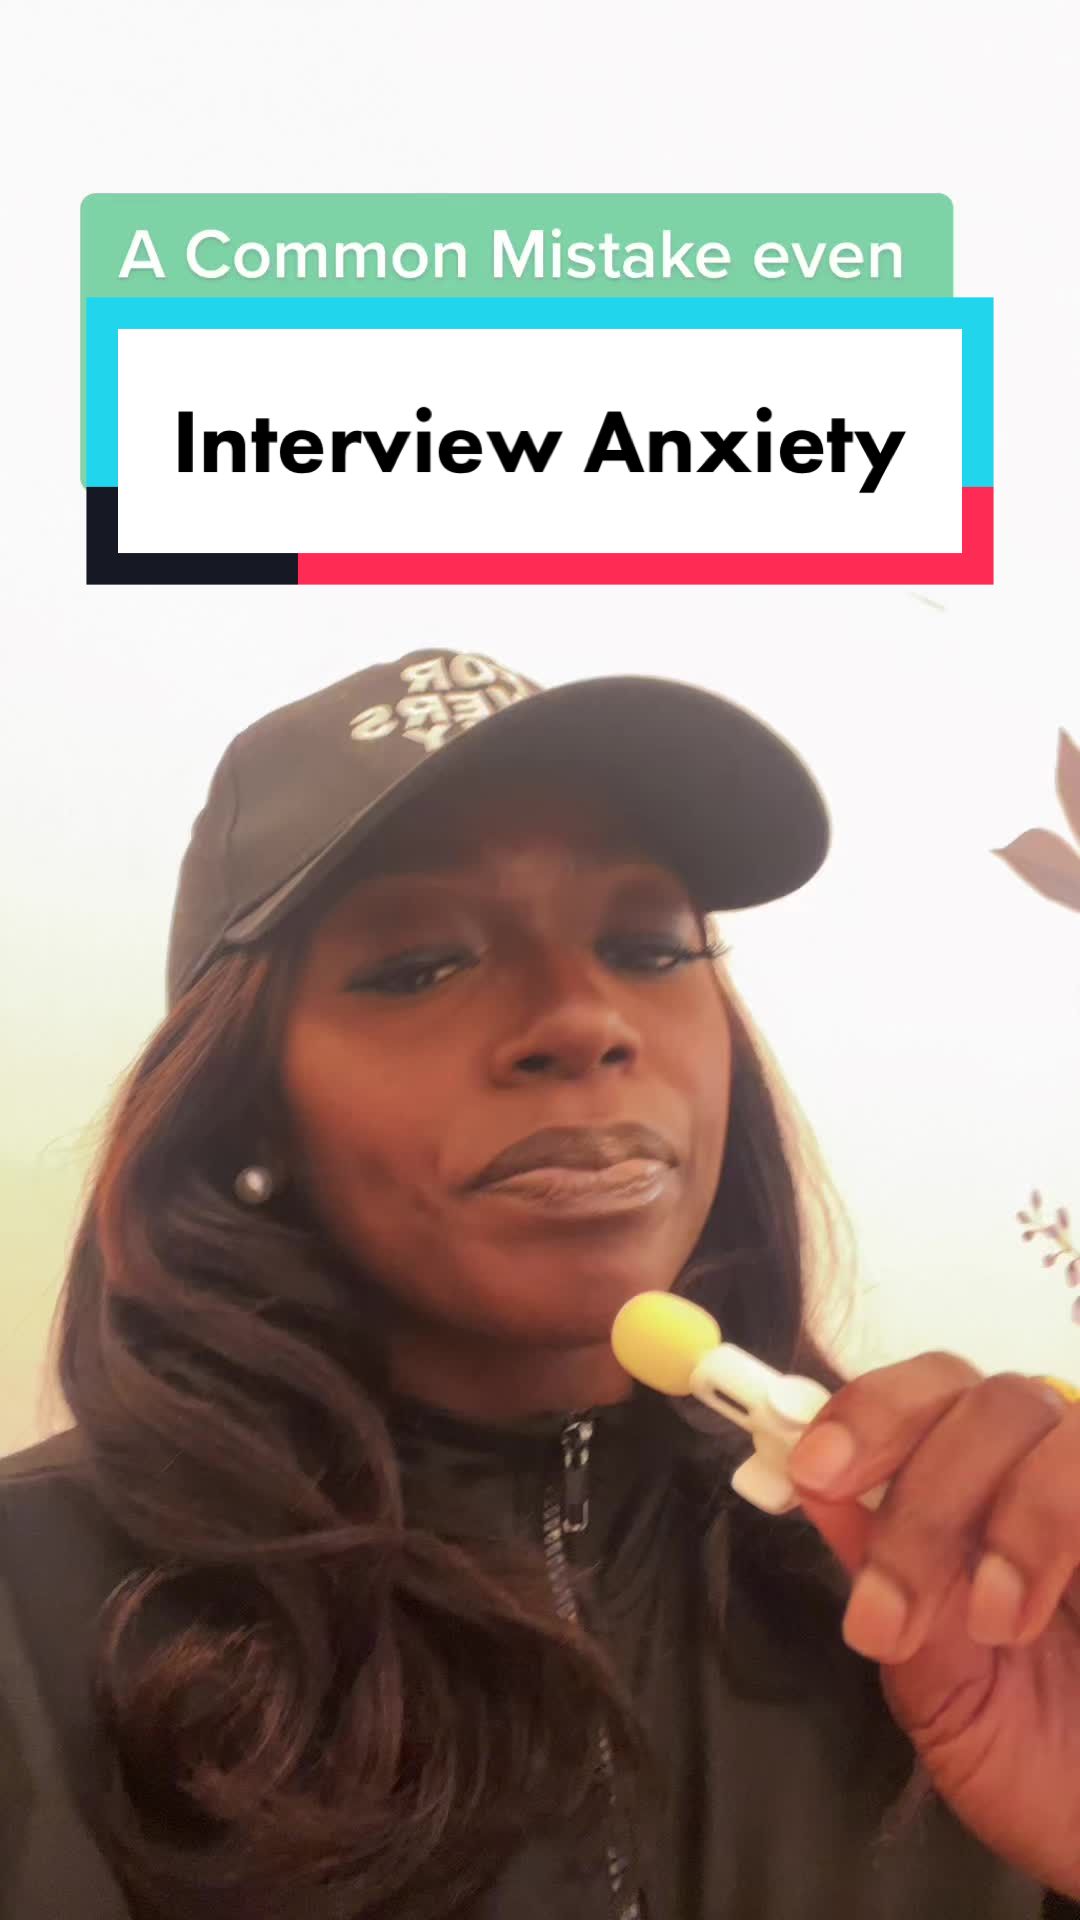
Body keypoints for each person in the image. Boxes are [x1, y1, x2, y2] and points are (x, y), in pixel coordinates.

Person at [2, 649, 1079, 1920]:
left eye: (648, 945)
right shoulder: (32, 1617)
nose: (584, 1019)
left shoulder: (950, 1596)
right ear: (248, 1108)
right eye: (419, 964)